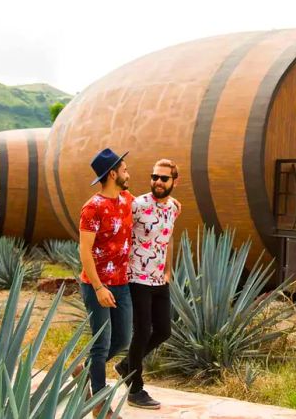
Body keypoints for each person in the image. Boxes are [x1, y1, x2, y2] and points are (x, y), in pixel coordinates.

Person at [115, 159, 180, 410]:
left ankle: (125, 366)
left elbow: (169, 238)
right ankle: (135, 389)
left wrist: (168, 270)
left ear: (175, 181)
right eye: (154, 177)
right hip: (136, 276)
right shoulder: (138, 204)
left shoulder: (173, 207)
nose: (158, 182)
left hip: (157, 278)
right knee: (141, 331)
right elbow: (118, 229)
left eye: (164, 178)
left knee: (163, 330)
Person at [78, 148, 134, 419]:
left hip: (121, 284)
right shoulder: (92, 207)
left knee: (123, 338)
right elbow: (84, 250)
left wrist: (171, 202)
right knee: (101, 344)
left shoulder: (126, 199)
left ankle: (85, 367)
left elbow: (147, 204)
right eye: (124, 170)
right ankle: (99, 404)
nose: (128, 174)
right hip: (96, 284)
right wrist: (99, 287)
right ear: (112, 174)